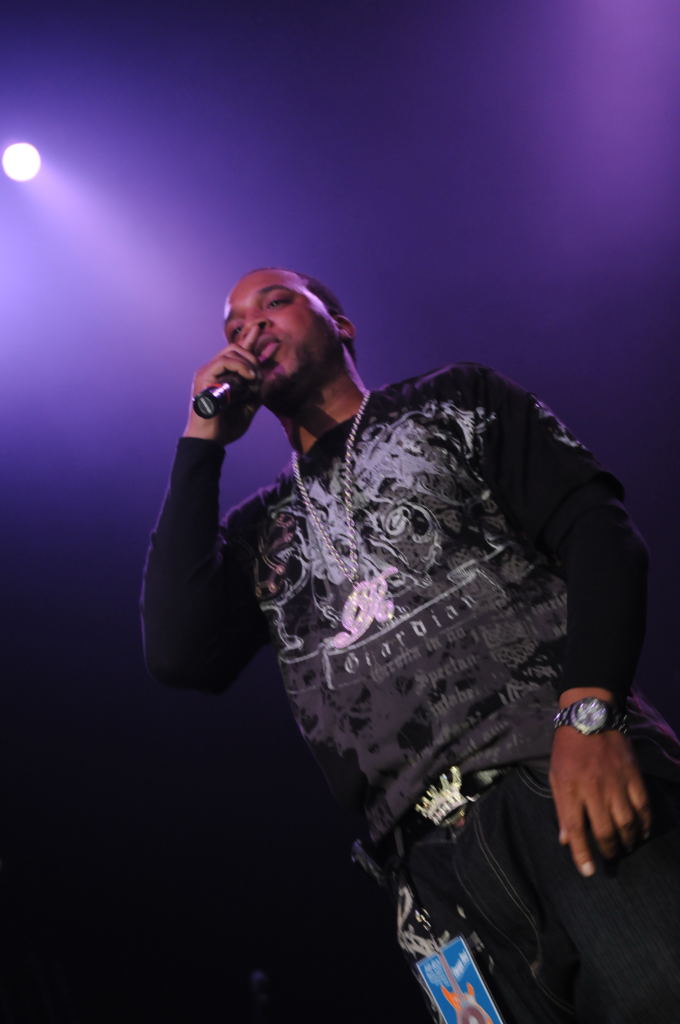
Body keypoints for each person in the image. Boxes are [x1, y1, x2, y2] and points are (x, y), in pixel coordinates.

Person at [142, 267, 680, 1023]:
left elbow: (599, 533)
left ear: (340, 323)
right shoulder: (259, 532)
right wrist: (202, 439)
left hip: (553, 774)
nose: (250, 329)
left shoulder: (453, 399)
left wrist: (589, 717)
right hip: (426, 877)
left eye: (275, 303)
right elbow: (177, 652)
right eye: (233, 328)